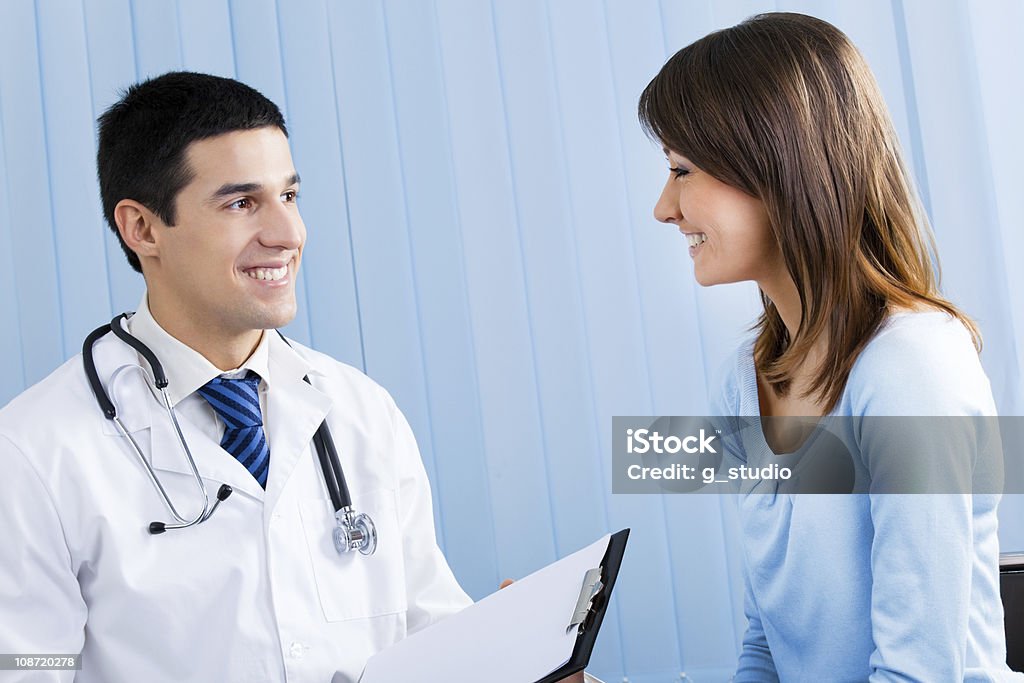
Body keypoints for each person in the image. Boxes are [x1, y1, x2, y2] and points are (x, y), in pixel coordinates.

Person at [0, 72, 588, 683]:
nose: (287, 235)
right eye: (241, 203)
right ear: (143, 228)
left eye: (290, 196)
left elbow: (425, 633)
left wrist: (513, 664)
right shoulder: (31, 452)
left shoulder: (360, 409)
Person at [639, 12, 1021, 682]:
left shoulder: (910, 367)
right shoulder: (745, 380)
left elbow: (917, 673)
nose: (663, 207)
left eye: (681, 169)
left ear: (775, 165)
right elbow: (766, 651)